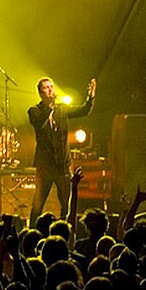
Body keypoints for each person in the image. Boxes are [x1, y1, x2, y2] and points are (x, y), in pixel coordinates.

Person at [27, 77, 96, 225]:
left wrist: (90, 97)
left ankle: (66, 231)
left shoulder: (62, 109)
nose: (51, 89)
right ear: (40, 93)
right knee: (38, 204)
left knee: (66, 204)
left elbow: (83, 111)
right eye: (46, 87)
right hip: (45, 166)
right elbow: (40, 124)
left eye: (51, 86)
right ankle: (31, 231)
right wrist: (50, 107)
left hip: (62, 165)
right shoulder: (34, 111)